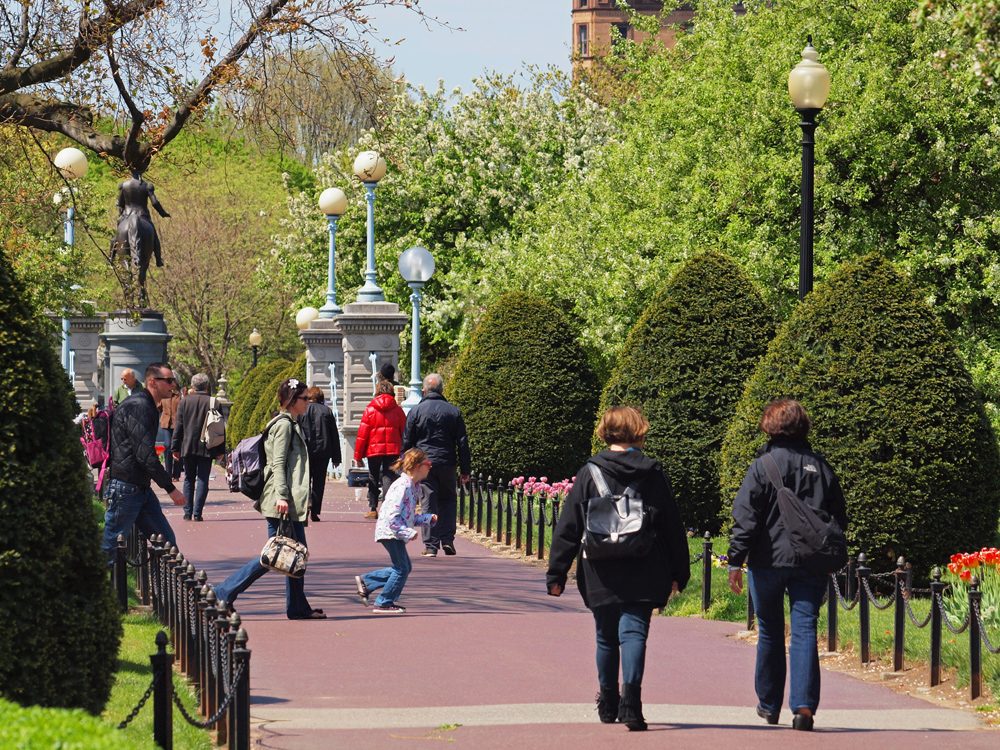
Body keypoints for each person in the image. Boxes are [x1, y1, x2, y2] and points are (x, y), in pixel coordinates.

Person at [546, 406, 689, 731]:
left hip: (599, 567)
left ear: (605, 432)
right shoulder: (653, 472)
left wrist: (557, 573)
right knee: (635, 633)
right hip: (645, 564)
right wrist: (680, 572)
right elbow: (672, 527)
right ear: (639, 431)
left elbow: (569, 525)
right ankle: (632, 703)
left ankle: (608, 700)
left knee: (606, 637)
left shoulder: (589, 472)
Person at [727, 398, 848, 732]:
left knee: (769, 630)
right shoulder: (821, 466)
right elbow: (839, 517)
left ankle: (768, 705)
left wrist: (735, 560)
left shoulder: (763, 465)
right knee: (805, 628)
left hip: (767, 560)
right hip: (811, 562)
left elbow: (746, 518)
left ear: (769, 425)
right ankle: (804, 707)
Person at [213, 378, 326, 619]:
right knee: (274, 555)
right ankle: (223, 591)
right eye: (305, 399)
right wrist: (283, 496)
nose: (308, 403)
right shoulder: (284, 425)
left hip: (286, 500)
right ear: (292, 400)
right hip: (280, 500)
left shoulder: (291, 422)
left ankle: (297, 608)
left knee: (295, 553)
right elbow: (278, 464)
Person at [102, 363, 186, 562]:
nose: (173, 385)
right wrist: (170, 488)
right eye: (169, 380)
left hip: (139, 487)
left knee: (167, 544)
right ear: (153, 382)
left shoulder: (145, 405)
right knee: (110, 548)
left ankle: (161, 591)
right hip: (127, 487)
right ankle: (96, 590)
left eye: (173, 380)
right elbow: (145, 454)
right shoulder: (140, 406)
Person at [354, 448, 437, 613]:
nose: (430, 466)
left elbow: (408, 516)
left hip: (393, 532)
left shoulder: (412, 487)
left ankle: (367, 582)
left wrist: (427, 519)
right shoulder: (403, 486)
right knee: (402, 568)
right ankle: (383, 602)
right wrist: (408, 532)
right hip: (390, 532)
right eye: (428, 463)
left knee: (403, 567)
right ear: (418, 466)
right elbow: (392, 516)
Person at [401, 373, 471, 557]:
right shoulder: (453, 411)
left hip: (424, 464)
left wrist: (407, 464)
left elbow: (408, 440)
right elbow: (462, 442)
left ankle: (431, 545)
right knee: (448, 500)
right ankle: (447, 540)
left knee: (427, 502)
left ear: (424, 390)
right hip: (447, 461)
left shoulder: (416, 411)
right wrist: (465, 469)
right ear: (442, 390)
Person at [354, 380, 406, 520]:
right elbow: (404, 432)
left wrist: (358, 456)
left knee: (373, 476)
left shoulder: (370, 410)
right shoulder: (398, 410)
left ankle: (372, 508)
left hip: (373, 449)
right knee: (389, 476)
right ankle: (386, 507)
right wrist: (405, 451)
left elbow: (362, 435)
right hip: (393, 449)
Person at [170, 373, 218, 521]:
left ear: (192, 386)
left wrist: (175, 447)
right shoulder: (214, 402)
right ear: (207, 386)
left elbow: (178, 426)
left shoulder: (184, 402)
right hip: (207, 445)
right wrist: (220, 450)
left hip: (188, 445)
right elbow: (219, 429)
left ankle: (187, 511)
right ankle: (198, 513)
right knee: (203, 479)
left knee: (189, 478)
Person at [297, 387, 342, 522]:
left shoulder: (302, 411)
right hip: (324, 451)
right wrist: (336, 457)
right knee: (319, 482)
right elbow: (334, 435)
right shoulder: (327, 411)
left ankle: (307, 503)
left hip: (305, 451)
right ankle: (315, 511)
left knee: (304, 480)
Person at [159, 378, 182, 481]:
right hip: (166, 423)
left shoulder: (181, 393)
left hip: (178, 424)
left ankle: (177, 474)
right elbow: (158, 407)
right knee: (168, 445)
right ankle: (168, 472)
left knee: (177, 447)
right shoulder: (163, 394)